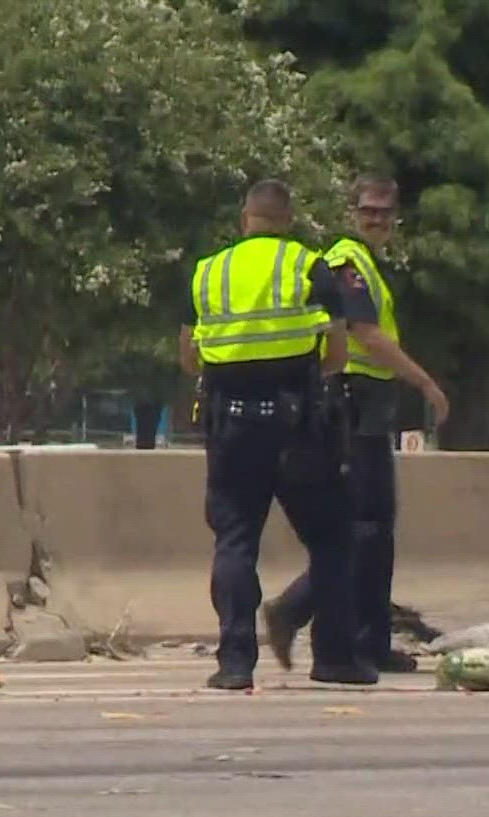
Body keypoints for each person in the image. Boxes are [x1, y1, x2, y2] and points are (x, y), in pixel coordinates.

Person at [179, 179, 379, 691]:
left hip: (229, 427)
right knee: (333, 537)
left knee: (235, 540)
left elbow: (188, 356)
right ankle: (334, 656)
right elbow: (336, 354)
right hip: (299, 429)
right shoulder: (308, 266)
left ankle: (235, 662)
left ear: (245, 219)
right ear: (287, 221)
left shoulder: (209, 272)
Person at [262, 176, 449, 675]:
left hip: (370, 404)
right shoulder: (347, 262)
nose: (378, 220)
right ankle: (295, 612)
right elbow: (366, 336)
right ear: (352, 212)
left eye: (386, 213)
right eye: (369, 211)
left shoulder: (368, 265)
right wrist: (425, 383)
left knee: (375, 530)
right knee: (362, 528)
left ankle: (369, 640)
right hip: (352, 403)